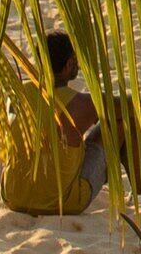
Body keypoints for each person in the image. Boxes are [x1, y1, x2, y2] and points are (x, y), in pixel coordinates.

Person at [45, 30, 109, 204]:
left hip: (13, 195)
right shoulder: (81, 102)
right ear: (69, 64)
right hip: (62, 200)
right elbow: (136, 106)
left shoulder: (18, 94)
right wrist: (100, 100)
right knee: (117, 125)